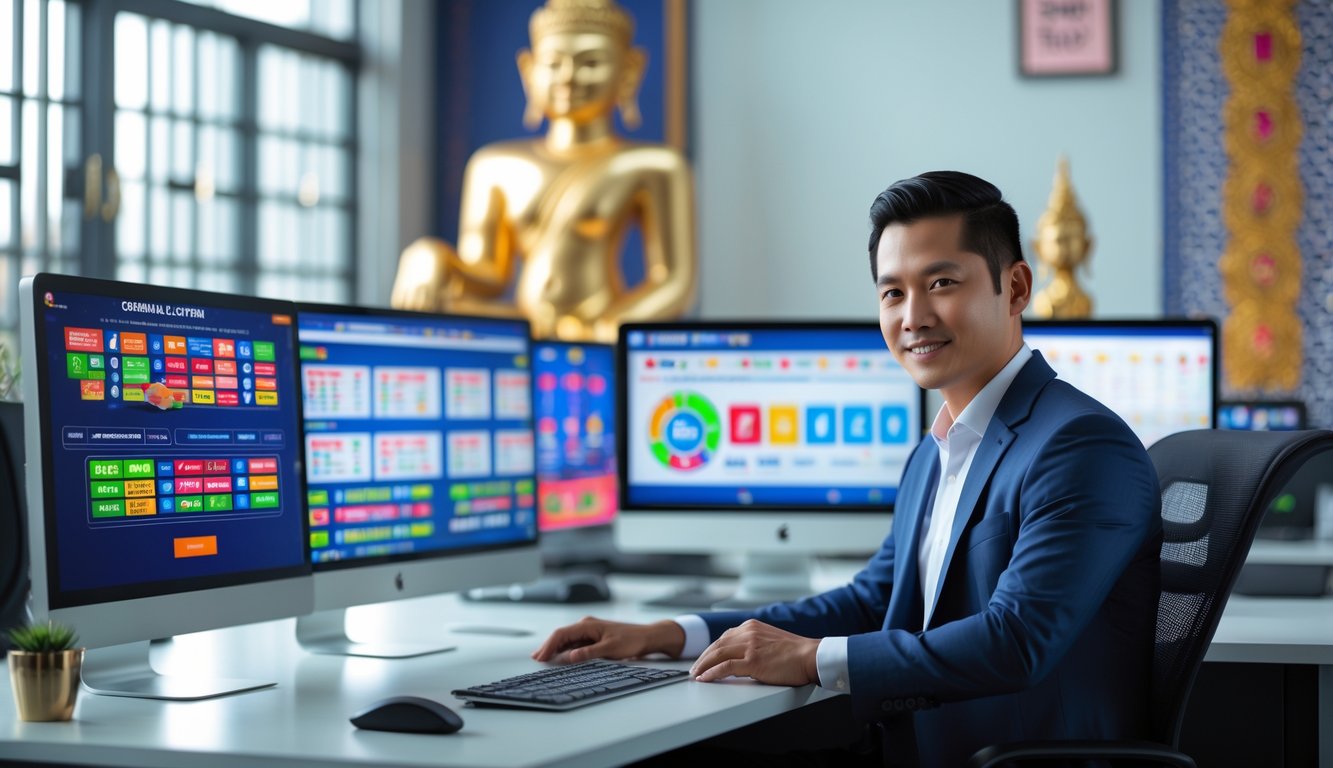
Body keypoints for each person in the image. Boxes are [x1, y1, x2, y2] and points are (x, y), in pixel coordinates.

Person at [533, 171, 1163, 767]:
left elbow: (1014, 642)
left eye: (942, 283)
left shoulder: (1079, 445)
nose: (912, 315)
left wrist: (811, 659)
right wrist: (669, 634)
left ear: (1017, 288)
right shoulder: (937, 450)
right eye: (893, 292)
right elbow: (871, 602)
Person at [390, 0, 696, 343]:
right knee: (440, 309)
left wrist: (608, 327)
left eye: (591, 62)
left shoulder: (655, 165)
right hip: (525, 329)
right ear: (528, 70)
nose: (568, 77)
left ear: (629, 69)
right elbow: (488, 276)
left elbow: (674, 280)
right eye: (553, 63)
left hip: (601, 333)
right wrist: (432, 256)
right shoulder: (494, 164)